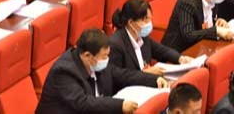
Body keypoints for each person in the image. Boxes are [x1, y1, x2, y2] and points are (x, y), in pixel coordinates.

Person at [36, 28, 167, 114]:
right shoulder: (63, 71)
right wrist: (120, 105)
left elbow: (120, 74)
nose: (107, 60)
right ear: (87, 55)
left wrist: (153, 80)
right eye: (104, 56)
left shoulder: (95, 63)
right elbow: (83, 103)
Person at [109, 0, 190, 73]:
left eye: (150, 19)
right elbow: (119, 76)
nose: (149, 24)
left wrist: (180, 58)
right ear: (130, 22)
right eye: (145, 20)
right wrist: (145, 73)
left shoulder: (143, 38)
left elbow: (163, 51)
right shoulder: (116, 44)